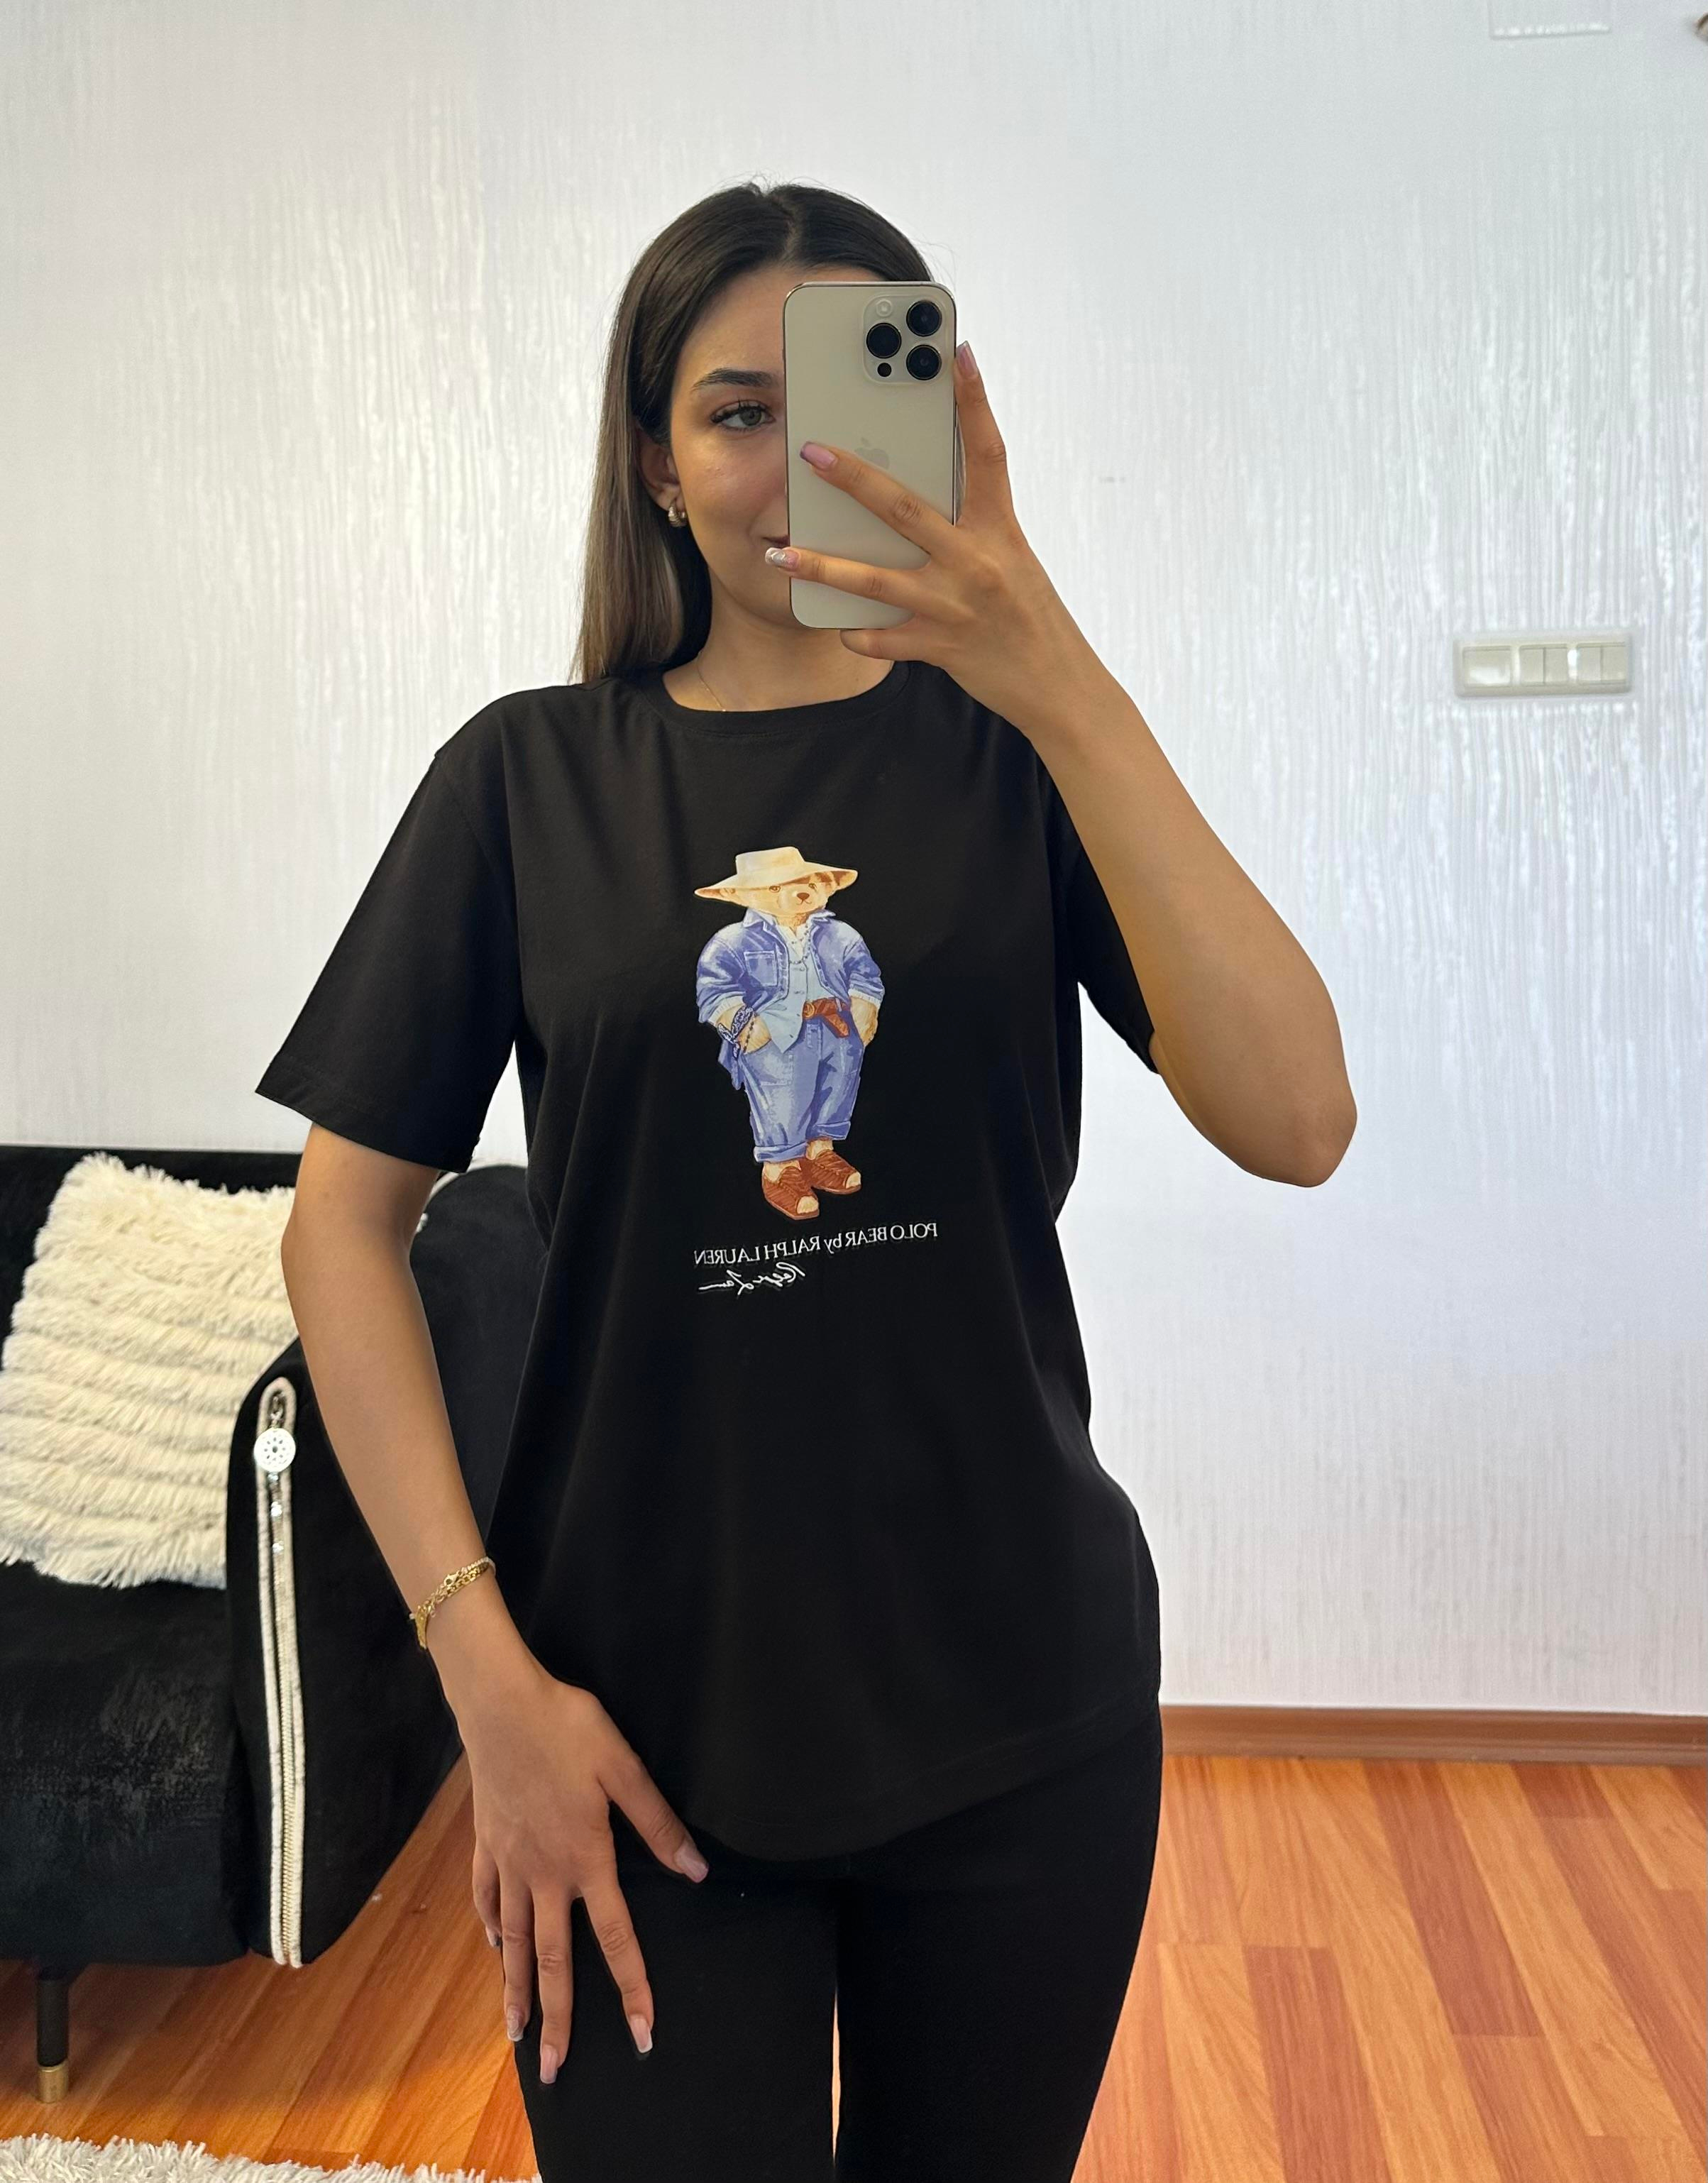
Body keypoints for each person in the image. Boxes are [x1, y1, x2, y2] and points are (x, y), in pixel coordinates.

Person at [258, 180, 1354, 2183]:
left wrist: (1049, 662)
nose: (792, 464)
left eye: (845, 400)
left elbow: (1299, 1119)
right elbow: (341, 1228)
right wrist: (483, 1678)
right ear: (655, 465)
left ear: (941, 422)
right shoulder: (524, 782)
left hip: (1022, 1703)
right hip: (626, 1733)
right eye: (735, 411)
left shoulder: (1016, 757)